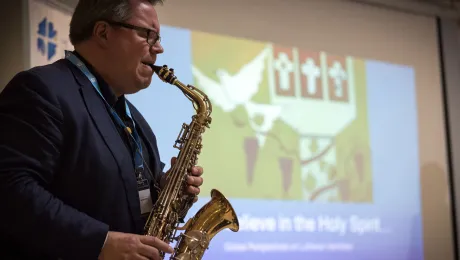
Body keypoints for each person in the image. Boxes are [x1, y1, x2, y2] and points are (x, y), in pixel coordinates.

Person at [0, 0, 204, 259]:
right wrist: (100, 242)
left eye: (159, 37)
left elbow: (118, 195)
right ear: (103, 32)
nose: (159, 48)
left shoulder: (136, 120)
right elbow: (10, 189)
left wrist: (167, 189)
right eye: (148, 34)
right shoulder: (41, 89)